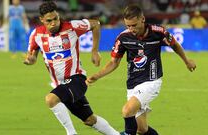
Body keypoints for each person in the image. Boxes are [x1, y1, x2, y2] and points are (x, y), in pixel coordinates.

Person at [86, 4, 196, 135]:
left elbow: (175, 45)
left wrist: (186, 60)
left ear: (142, 19)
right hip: (132, 84)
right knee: (141, 129)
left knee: (127, 111)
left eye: (134, 25)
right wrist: (97, 76)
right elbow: (114, 62)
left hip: (151, 81)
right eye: (128, 26)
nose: (131, 29)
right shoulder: (123, 38)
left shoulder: (158, 32)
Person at [23, 1, 119, 135]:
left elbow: (95, 24)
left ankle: (71, 133)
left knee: (51, 99)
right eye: (49, 20)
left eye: (56, 18)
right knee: (89, 120)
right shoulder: (36, 34)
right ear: (41, 20)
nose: (54, 23)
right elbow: (31, 55)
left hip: (77, 79)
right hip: (62, 85)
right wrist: (31, 59)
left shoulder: (71, 27)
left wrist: (94, 51)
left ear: (58, 15)